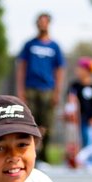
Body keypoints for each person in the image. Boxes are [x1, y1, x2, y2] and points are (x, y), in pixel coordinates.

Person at [15, 13, 64, 163]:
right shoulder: (29, 45)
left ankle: (44, 154)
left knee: (47, 123)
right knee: (30, 122)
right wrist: (21, 90)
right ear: (37, 24)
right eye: (40, 22)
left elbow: (59, 70)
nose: (43, 25)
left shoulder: (54, 46)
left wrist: (57, 92)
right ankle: (31, 154)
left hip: (48, 89)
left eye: (45, 22)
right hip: (31, 88)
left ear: (49, 24)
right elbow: (22, 67)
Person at [65, 57, 92, 152]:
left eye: (80, 69)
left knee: (88, 137)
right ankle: (74, 157)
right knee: (75, 138)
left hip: (88, 118)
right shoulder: (74, 85)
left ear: (87, 71)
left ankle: (88, 158)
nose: (78, 71)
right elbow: (69, 100)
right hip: (76, 118)